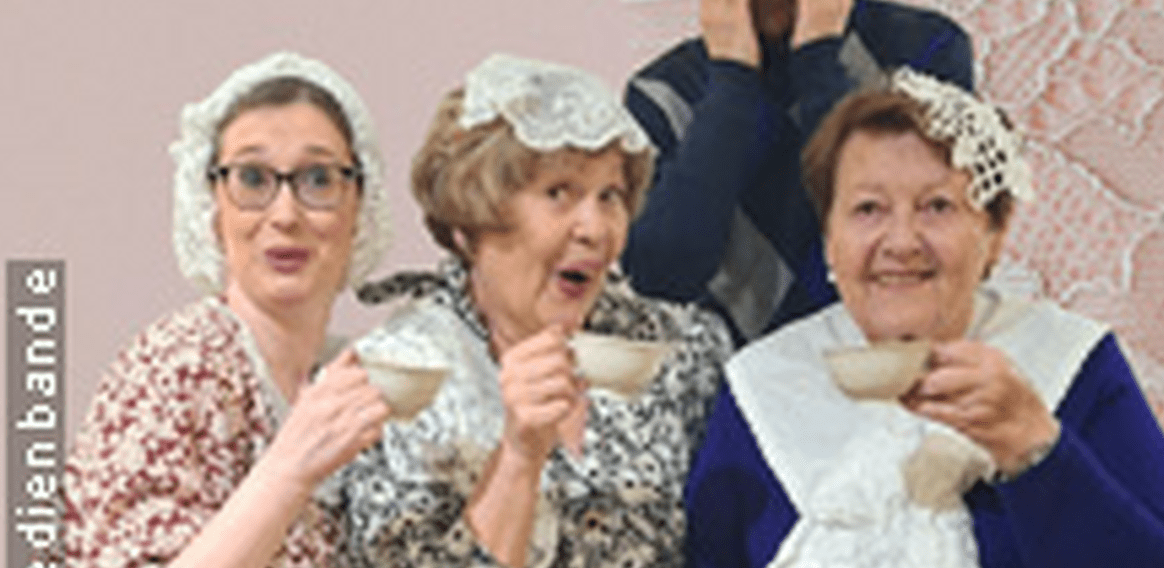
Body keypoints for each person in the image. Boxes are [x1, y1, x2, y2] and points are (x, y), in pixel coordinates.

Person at [684, 68, 1164, 567]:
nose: (901, 241)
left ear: (995, 233)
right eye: (868, 209)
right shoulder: (762, 384)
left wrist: (1035, 449)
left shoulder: (1072, 364)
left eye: (937, 206)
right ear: (830, 238)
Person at [332, 54, 733, 568]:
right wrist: (519, 457)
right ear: (471, 222)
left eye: (609, 195)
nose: (595, 228)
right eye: (559, 193)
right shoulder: (399, 378)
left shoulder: (678, 351)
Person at [62, 52, 394, 568]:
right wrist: (290, 469)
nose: (285, 214)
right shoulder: (181, 365)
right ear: (212, 209)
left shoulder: (346, 382)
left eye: (319, 179)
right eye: (253, 179)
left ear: (360, 208)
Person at [620, 0, 974, 342]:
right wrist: (731, 81)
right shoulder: (660, 92)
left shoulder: (925, 50)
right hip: (735, 378)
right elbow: (662, 277)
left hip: (894, 359)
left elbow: (906, 231)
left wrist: (819, 60)